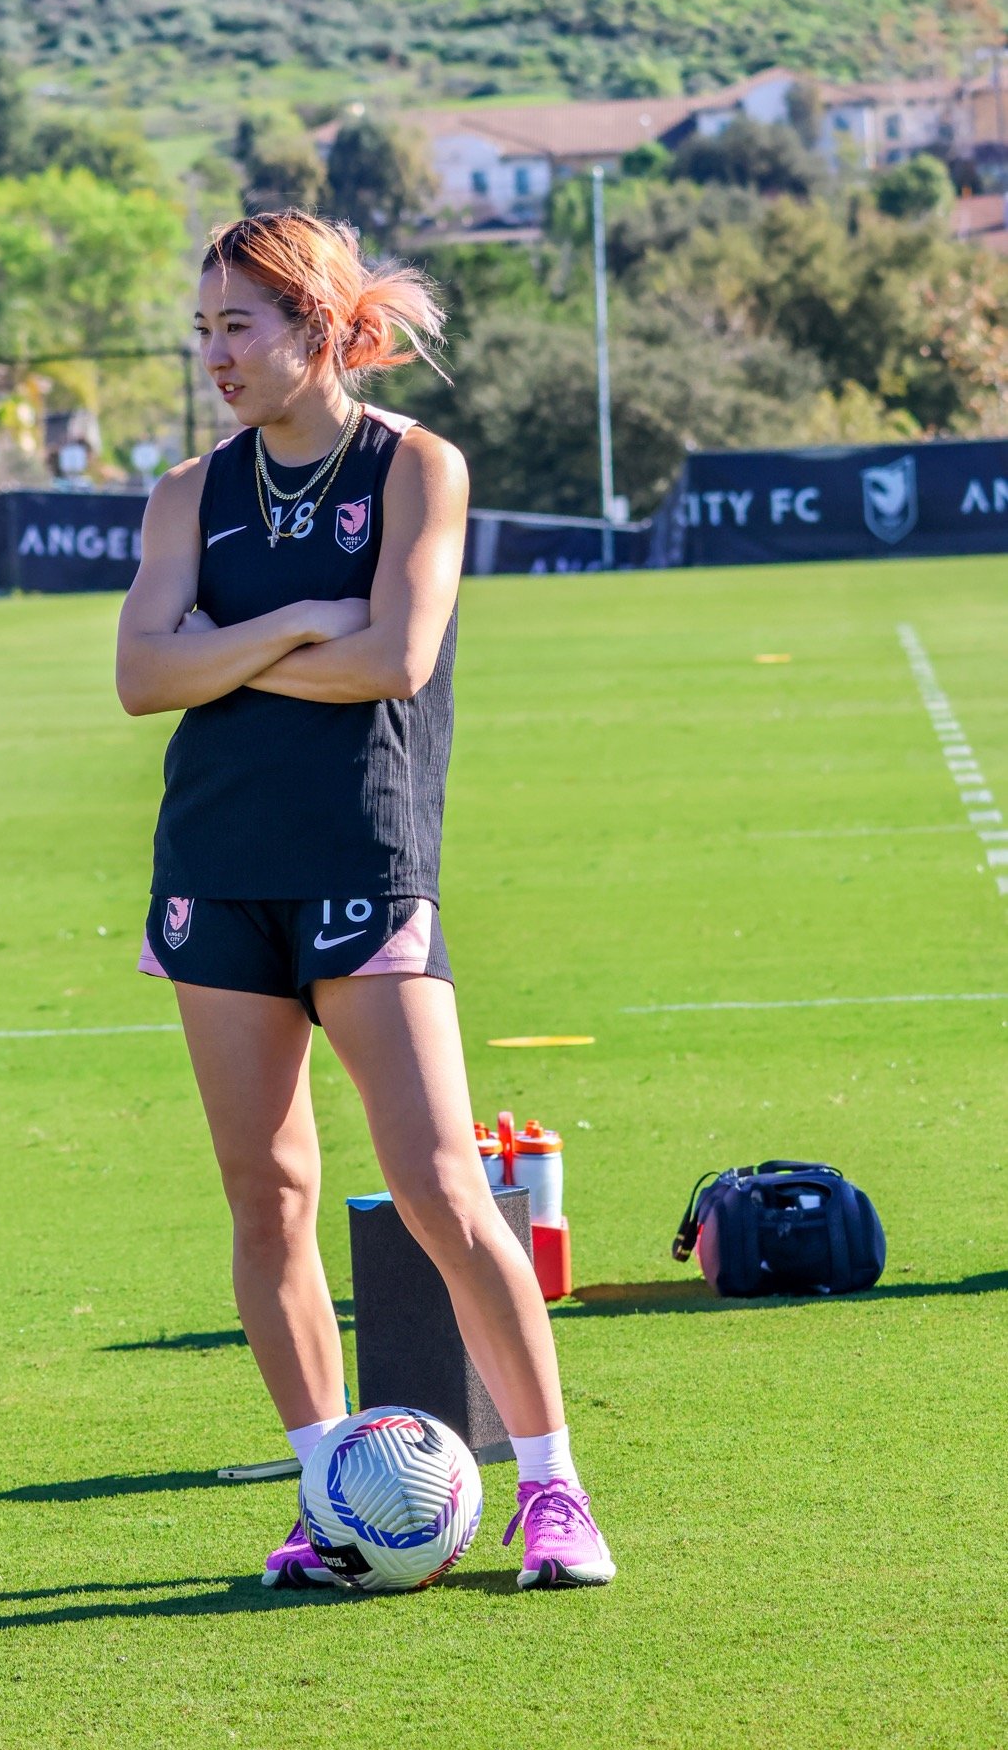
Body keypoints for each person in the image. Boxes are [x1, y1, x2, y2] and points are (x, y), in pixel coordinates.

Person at [116, 210, 614, 1592]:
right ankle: (335, 1498)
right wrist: (287, 625)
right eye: (203, 326)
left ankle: (554, 1489)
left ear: (321, 329)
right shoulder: (181, 495)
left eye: (239, 327)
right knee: (266, 1194)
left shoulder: (414, 468)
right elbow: (141, 681)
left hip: (362, 857)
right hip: (213, 868)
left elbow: (394, 655)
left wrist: (217, 645)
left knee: (444, 1188)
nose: (213, 353)